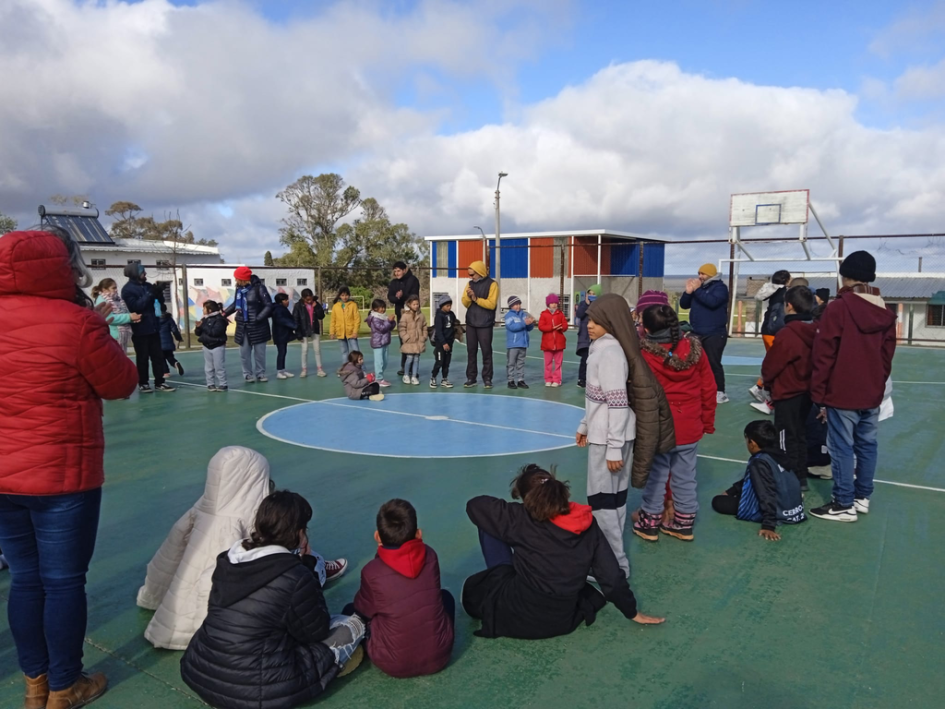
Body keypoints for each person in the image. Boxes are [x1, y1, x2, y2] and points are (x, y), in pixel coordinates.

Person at [0, 228, 138, 709]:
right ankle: (64, 685)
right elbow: (121, 383)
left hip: (3, 476)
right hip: (62, 476)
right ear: (61, 267)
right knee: (62, 582)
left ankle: (35, 684)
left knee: (24, 578)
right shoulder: (76, 323)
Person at [138, 448, 347, 650]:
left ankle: (314, 565)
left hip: (202, 632)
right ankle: (315, 569)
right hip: (232, 632)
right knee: (296, 569)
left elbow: (167, 557)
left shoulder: (205, 508)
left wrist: (153, 594)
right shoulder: (230, 528)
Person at [180, 491, 367, 709]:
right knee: (350, 624)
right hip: (256, 689)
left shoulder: (229, 560)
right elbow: (315, 632)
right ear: (298, 533)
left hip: (200, 670)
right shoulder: (294, 576)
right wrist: (305, 567)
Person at [462, 464, 664, 640]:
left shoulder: (519, 518)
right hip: (561, 619)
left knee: (474, 582)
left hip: (518, 613)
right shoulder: (586, 522)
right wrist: (631, 612)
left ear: (526, 499)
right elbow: (611, 577)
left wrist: (519, 510)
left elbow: (475, 505)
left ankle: (504, 573)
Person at [575, 294, 675, 575]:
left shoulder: (609, 353)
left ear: (611, 321)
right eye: (588, 319)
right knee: (614, 501)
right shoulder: (603, 347)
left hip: (610, 438)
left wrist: (614, 447)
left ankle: (613, 565)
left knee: (604, 503)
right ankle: (613, 561)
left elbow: (617, 403)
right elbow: (598, 401)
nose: (589, 325)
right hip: (605, 434)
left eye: (595, 320)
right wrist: (585, 425)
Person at [809, 251, 896, 522]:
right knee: (867, 445)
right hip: (872, 392)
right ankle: (862, 497)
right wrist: (877, 383)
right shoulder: (884, 309)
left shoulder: (838, 307)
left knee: (841, 447)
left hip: (842, 391)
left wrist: (819, 393)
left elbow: (824, 354)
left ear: (845, 277)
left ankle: (843, 502)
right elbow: (887, 355)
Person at [633, 305, 716, 542]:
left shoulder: (645, 355)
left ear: (646, 328)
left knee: (657, 474)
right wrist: (707, 421)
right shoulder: (694, 350)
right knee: (685, 475)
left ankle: (649, 520)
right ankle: (684, 522)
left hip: (659, 424)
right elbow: (708, 387)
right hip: (689, 423)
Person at [346, 499, 454, 678]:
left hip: (394, 664)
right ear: (419, 534)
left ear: (377, 537)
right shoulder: (431, 556)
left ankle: (360, 649)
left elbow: (363, 609)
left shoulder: (371, 572)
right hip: (440, 656)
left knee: (351, 611)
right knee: (445, 597)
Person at [753, 286, 817, 490]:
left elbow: (772, 365)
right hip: (807, 392)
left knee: (784, 437)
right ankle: (800, 476)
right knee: (799, 434)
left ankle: (788, 477)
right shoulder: (816, 330)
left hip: (788, 392)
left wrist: (768, 385)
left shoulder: (788, 334)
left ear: (789, 306)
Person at [711, 421, 806, 540]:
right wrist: (731, 491)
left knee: (718, 502)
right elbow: (754, 479)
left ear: (752, 443)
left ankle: (767, 515)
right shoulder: (778, 454)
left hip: (778, 511)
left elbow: (766, 493)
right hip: (795, 509)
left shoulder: (759, 462)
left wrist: (768, 525)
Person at [679, 263, 730, 403]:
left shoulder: (720, 288)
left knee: (713, 362)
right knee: (693, 360)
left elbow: (712, 302)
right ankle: (697, 387)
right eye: (699, 273)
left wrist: (697, 290)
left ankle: (720, 392)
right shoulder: (698, 289)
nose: (700, 276)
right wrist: (688, 292)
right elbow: (684, 305)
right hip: (697, 331)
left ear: (711, 275)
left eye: (703, 274)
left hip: (715, 332)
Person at [122, 262, 175, 393]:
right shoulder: (127, 290)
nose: (145, 274)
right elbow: (136, 306)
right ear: (135, 274)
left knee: (157, 356)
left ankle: (160, 382)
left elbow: (159, 304)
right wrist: (151, 294)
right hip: (140, 329)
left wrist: (159, 293)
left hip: (154, 327)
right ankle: (143, 383)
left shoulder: (148, 286)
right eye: (142, 272)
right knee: (142, 358)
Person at [224, 266, 273, 384]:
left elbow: (268, 305)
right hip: (243, 325)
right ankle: (247, 374)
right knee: (244, 352)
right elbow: (236, 303)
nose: (236, 281)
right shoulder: (239, 289)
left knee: (259, 352)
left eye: (237, 278)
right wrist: (224, 313)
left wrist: (258, 318)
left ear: (243, 278)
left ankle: (260, 374)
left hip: (258, 326)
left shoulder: (259, 288)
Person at [749, 270, 791, 404]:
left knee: (771, 360)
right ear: (786, 279)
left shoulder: (769, 290)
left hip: (766, 329)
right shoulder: (784, 293)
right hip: (775, 331)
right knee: (777, 363)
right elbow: (782, 313)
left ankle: (762, 388)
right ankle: (763, 390)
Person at [461, 260, 498, 389]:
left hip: (485, 323)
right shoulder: (469, 284)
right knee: (471, 351)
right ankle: (471, 378)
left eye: (473, 274)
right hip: (471, 322)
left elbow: (491, 304)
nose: (471, 277)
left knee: (486, 352)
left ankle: (487, 378)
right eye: (470, 275)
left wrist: (476, 299)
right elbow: (465, 303)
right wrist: (468, 297)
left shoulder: (492, 285)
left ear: (479, 272)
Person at [388, 261, 421, 377]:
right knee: (403, 340)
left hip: (413, 316)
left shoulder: (413, 280)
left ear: (404, 269)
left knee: (414, 339)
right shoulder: (393, 283)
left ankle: (414, 368)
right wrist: (398, 298)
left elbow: (413, 296)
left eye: (399, 270)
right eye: (395, 271)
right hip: (401, 316)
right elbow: (391, 297)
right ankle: (405, 366)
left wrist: (402, 296)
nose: (397, 273)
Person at [91, 277, 139, 351]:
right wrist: (129, 317)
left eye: (116, 287)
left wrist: (133, 319)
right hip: (113, 336)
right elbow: (109, 318)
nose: (116, 290)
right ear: (104, 290)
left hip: (122, 336)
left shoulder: (118, 300)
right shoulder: (102, 300)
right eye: (113, 288)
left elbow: (124, 312)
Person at [292, 288, 327, 378]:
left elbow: (321, 316)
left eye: (311, 298)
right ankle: (304, 370)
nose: (310, 300)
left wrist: (317, 307)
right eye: (307, 299)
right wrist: (298, 333)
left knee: (317, 349)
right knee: (304, 350)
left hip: (314, 329)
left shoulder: (316, 304)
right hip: (303, 330)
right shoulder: (298, 306)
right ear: (303, 298)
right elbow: (295, 320)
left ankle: (320, 369)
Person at [195, 300, 228, 391]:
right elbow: (198, 333)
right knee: (208, 367)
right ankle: (210, 384)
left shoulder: (219, 320)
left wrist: (203, 326)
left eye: (204, 308)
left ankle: (223, 384)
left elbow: (215, 332)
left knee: (219, 366)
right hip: (206, 346)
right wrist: (198, 328)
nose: (203, 311)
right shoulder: (204, 319)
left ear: (210, 310)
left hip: (217, 346)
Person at [504, 295, 535, 389]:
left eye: (519, 304)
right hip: (513, 345)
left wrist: (530, 323)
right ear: (511, 306)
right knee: (511, 363)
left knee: (521, 362)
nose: (518, 306)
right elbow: (512, 327)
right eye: (515, 305)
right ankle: (510, 380)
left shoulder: (523, 314)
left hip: (523, 343)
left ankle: (520, 380)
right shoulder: (509, 316)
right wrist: (524, 323)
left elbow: (528, 328)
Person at [538, 293, 569, 387]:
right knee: (547, 363)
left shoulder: (560, 314)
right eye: (551, 303)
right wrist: (552, 327)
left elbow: (565, 325)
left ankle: (557, 380)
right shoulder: (544, 314)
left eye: (555, 303)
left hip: (559, 343)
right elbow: (541, 326)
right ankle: (548, 379)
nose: (554, 305)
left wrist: (562, 328)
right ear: (548, 304)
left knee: (558, 363)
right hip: (547, 344)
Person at [574, 284, 601, 387]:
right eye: (590, 293)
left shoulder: (599, 305)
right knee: (585, 359)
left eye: (594, 294)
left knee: (596, 360)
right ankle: (582, 379)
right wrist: (586, 304)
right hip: (585, 337)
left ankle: (594, 379)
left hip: (597, 337)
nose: (591, 295)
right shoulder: (583, 304)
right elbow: (579, 314)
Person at [367, 298, 397, 387]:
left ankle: (378, 376)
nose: (383, 309)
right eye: (381, 307)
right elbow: (382, 328)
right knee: (379, 362)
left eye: (384, 307)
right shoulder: (374, 318)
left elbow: (390, 328)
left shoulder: (384, 317)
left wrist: (392, 321)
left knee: (385, 362)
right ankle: (379, 379)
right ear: (375, 309)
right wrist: (388, 321)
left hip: (385, 342)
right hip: (378, 343)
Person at [398, 294, 427, 386]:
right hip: (409, 342)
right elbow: (401, 328)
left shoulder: (421, 316)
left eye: (417, 304)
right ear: (409, 305)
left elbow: (424, 327)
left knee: (416, 359)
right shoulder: (405, 316)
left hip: (418, 342)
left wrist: (423, 337)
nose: (416, 306)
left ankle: (414, 376)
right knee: (409, 358)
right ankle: (406, 375)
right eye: (414, 304)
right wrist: (406, 337)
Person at [431, 294, 459, 389]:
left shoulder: (451, 314)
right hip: (441, 344)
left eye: (450, 305)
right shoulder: (439, 316)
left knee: (447, 362)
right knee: (439, 361)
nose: (449, 307)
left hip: (450, 342)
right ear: (442, 305)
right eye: (447, 306)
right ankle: (433, 377)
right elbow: (439, 331)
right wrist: (444, 343)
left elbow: (454, 323)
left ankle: (444, 379)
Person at [271, 293, 299, 379]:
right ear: (280, 301)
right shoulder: (278, 310)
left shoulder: (282, 309)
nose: (288, 302)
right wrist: (295, 325)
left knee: (283, 352)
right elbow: (283, 320)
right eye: (285, 300)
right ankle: (279, 371)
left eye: (287, 300)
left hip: (284, 334)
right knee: (281, 352)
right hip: (280, 335)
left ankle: (283, 370)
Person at [330, 286, 361, 361]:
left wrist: (355, 331)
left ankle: (361, 368)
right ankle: (346, 369)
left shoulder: (353, 305)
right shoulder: (335, 306)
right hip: (340, 332)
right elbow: (333, 320)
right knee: (344, 352)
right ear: (339, 295)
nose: (345, 297)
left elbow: (357, 319)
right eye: (343, 295)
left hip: (351, 332)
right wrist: (332, 332)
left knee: (356, 351)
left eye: (346, 295)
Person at [159, 304, 184, 377]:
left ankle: (165, 372)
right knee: (169, 356)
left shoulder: (154, 319)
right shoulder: (169, 318)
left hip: (158, 342)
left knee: (161, 358)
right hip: (168, 341)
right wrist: (178, 338)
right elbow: (174, 329)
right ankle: (175, 363)